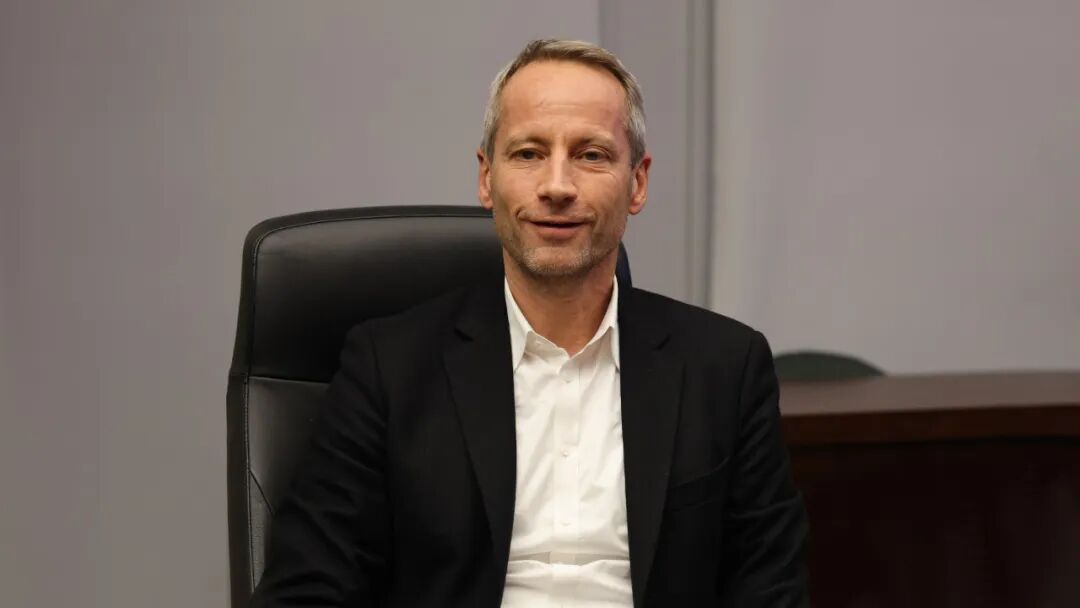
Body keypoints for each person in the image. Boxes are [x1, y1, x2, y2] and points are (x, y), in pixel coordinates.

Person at [250, 39, 808, 607]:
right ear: (486, 177)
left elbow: (771, 589)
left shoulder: (725, 368)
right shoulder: (388, 369)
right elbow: (307, 589)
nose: (557, 186)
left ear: (637, 182)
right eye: (528, 153)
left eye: (591, 155)